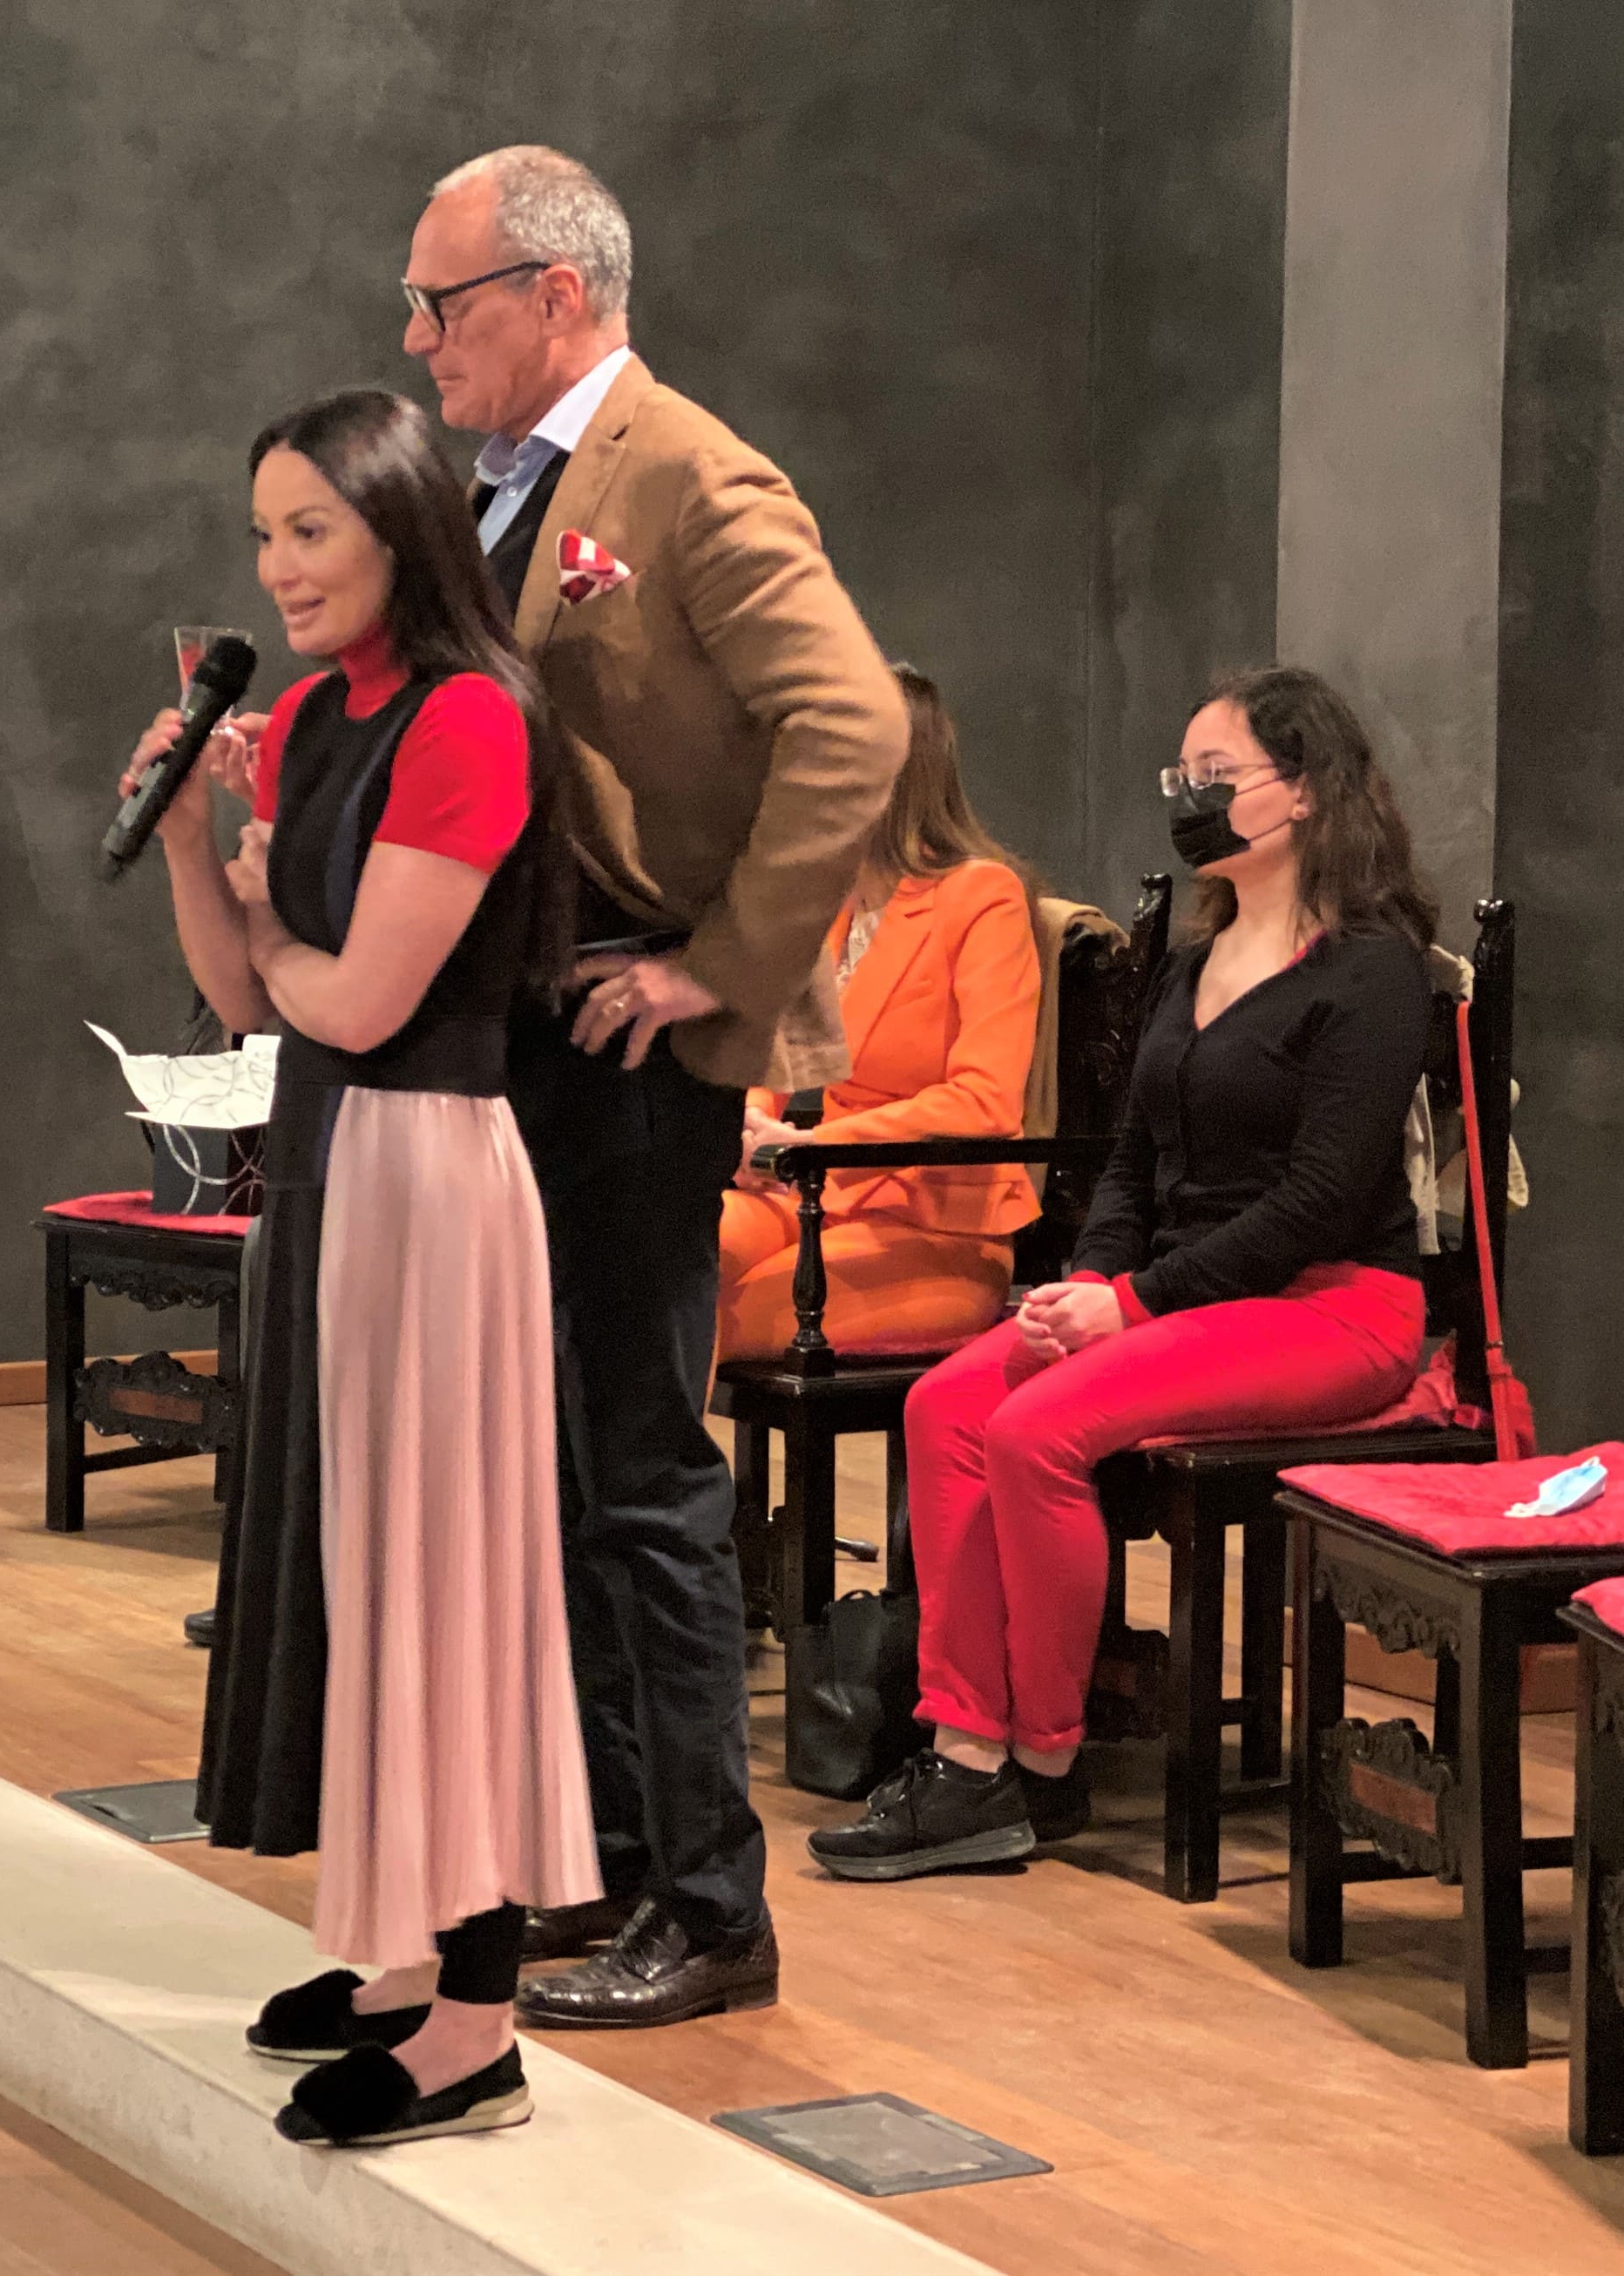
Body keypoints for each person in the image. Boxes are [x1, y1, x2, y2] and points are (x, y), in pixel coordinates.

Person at [401, 146, 909, 2026]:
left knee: (642, 1472)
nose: (417, 338)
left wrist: (719, 966)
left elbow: (851, 720)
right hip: (526, 1036)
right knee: (561, 1479)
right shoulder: (496, 488)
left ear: (554, 293)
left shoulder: (687, 470)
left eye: (441, 301)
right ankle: (616, 1858)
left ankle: (711, 1903)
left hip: (635, 1046)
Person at [123, 388, 599, 2146]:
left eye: (310, 530)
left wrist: (266, 922)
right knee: (360, 1569)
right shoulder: (321, 712)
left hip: (428, 1169)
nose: (280, 566)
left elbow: (364, 997)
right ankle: (406, 1956)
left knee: (444, 1583)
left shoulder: (474, 717)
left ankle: (478, 2025)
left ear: (402, 530)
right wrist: (195, 837)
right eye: (265, 534)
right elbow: (251, 1000)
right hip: (332, 1163)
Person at [810, 666, 1438, 1881]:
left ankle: (1044, 1760)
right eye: (1180, 777)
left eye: (1217, 776)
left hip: (1330, 1306)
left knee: (1034, 1429)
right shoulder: (1192, 961)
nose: (1191, 798)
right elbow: (1131, 1162)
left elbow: (1319, 1199)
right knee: (944, 1403)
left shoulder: (1371, 968)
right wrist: (1085, 1281)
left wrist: (1132, 1301)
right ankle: (965, 1750)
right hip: (1175, 1297)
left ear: (1304, 791)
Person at [719, 665, 1041, 1361]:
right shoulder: (827, 905)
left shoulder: (982, 896)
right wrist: (748, 1127)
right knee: (650, 1274)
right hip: (811, 1196)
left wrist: (812, 1146)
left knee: (709, 1319)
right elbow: (774, 1058)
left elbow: (984, 1101)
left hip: (935, 1225)